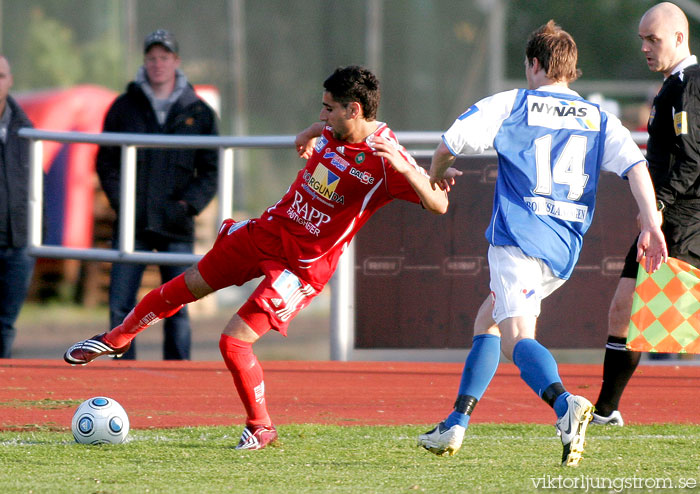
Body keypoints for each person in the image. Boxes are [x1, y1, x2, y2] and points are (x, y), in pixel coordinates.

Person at [65, 65, 458, 450]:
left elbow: (438, 203)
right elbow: (322, 131)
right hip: (266, 233)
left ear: (353, 110)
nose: (322, 115)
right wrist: (309, 133)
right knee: (183, 287)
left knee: (233, 343)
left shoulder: (387, 158)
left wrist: (407, 167)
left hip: (300, 268)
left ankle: (261, 427)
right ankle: (116, 340)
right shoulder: (336, 128)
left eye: (328, 108)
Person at [418, 20, 667, 467]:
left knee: (516, 338)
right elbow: (635, 166)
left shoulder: (513, 102)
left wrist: (436, 175)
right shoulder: (598, 117)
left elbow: (448, 144)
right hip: (563, 250)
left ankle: (564, 404)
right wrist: (650, 222)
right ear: (571, 70)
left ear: (534, 64)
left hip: (518, 239)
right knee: (488, 321)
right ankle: (456, 422)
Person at [593, 2, 700, 425]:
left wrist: (656, 204)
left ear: (679, 38)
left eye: (653, 39)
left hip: (684, 220)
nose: (645, 47)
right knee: (625, 310)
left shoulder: (689, 85)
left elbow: (693, 161)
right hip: (663, 219)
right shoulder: (671, 84)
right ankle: (604, 412)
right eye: (641, 40)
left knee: (677, 318)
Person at [96, 29, 218, 360]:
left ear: (176, 62)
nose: (157, 64)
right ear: (144, 61)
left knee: (177, 305)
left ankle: (179, 376)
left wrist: (185, 206)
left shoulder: (200, 112)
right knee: (121, 305)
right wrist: (124, 202)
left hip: (175, 225)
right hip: (131, 223)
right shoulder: (123, 108)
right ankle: (122, 372)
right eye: (151, 57)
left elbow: (210, 171)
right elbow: (106, 161)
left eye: (164, 57)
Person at [0, 56, 36, 359]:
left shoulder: (26, 128)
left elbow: (39, 183)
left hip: (18, 243)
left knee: (6, 324)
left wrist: (37, 236)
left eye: (0, 76)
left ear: (10, 81)